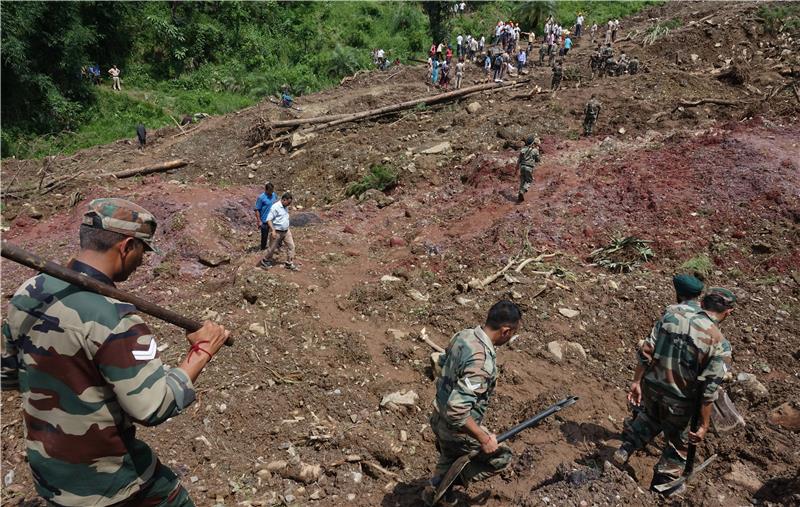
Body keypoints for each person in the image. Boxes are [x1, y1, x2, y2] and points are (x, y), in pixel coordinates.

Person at [0, 198, 230, 506]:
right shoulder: (115, 320)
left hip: (50, 476)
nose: (142, 261)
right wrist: (202, 351)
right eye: (143, 251)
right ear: (126, 247)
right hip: (110, 483)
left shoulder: (28, 293)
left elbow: (8, 377)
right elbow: (153, 406)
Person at [613, 286, 736, 495]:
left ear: (703, 303)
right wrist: (704, 425)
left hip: (652, 388)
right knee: (678, 441)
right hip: (681, 401)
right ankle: (661, 486)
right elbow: (709, 390)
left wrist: (636, 382)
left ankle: (625, 449)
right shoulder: (719, 343)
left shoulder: (671, 315)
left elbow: (646, 350)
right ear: (728, 312)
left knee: (650, 417)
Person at [422, 301, 522, 506]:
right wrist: (483, 438)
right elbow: (457, 411)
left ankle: (439, 487)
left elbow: (442, 362)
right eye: (513, 333)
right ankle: (442, 484)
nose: (511, 337)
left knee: (449, 458)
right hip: (456, 430)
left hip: (437, 417)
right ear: (505, 331)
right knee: (501, 456)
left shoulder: (464, 335)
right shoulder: (481, 363)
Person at [259, 192, 298, 271]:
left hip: (286, 231)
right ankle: (265, 260)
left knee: (291, 246)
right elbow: (269, 219)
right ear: (284, 200)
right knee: (272, 248)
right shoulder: (275, 207)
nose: (289, 204)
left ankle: (289, 263)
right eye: (288, 202)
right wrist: (273, 230)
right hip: (277, 231)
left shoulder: (285, 206)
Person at [254, 182, 280, 251]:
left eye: (272, 190)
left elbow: (277, 203)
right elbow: (257, 210)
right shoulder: (261, 198)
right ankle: (263, 248)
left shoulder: (274, 195)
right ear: (266, 190)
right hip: (264, 220)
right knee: (264, 236)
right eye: (270, 190)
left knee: (276, 233)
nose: (271, 192)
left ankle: (275, 246)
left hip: (273, 219)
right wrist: (259, 221)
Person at [516, 136, 540, 202]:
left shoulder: (523, 149)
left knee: (522, 181)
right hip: (529, 167)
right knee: (529, 181)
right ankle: (523, 191)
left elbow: (519, 160)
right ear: (533, 143)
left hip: (522, 166)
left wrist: (516, 168)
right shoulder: (535, 150)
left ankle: (519, 196)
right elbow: (538, 160)